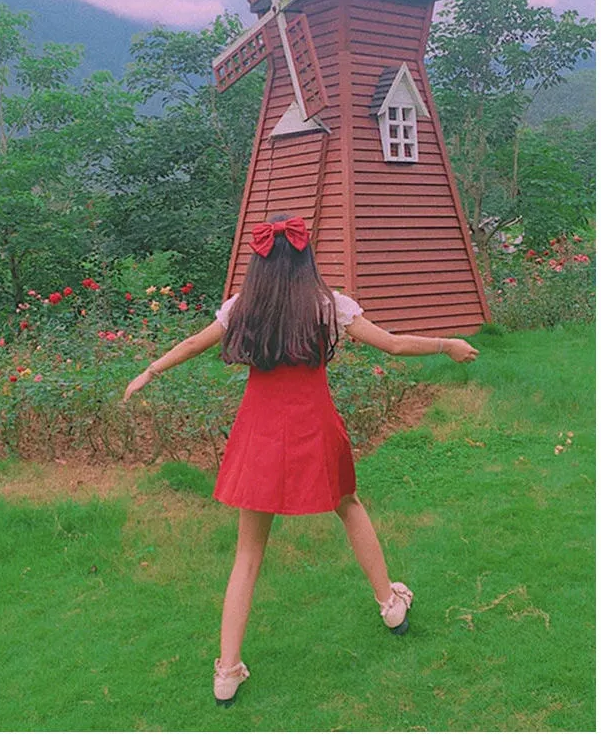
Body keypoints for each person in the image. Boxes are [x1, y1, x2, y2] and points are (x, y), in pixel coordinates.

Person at [123, 214, 479, 707]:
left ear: (259, 264)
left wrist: (149, 371)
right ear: (305, 257)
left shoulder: (242, 307)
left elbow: (191, 344)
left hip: (260, 435)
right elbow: (394, 344)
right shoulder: (328, 305)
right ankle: (390, 604)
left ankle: (227, 671)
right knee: (349, 505)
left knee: (248, 553)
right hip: (315, 429)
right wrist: (447, 344)